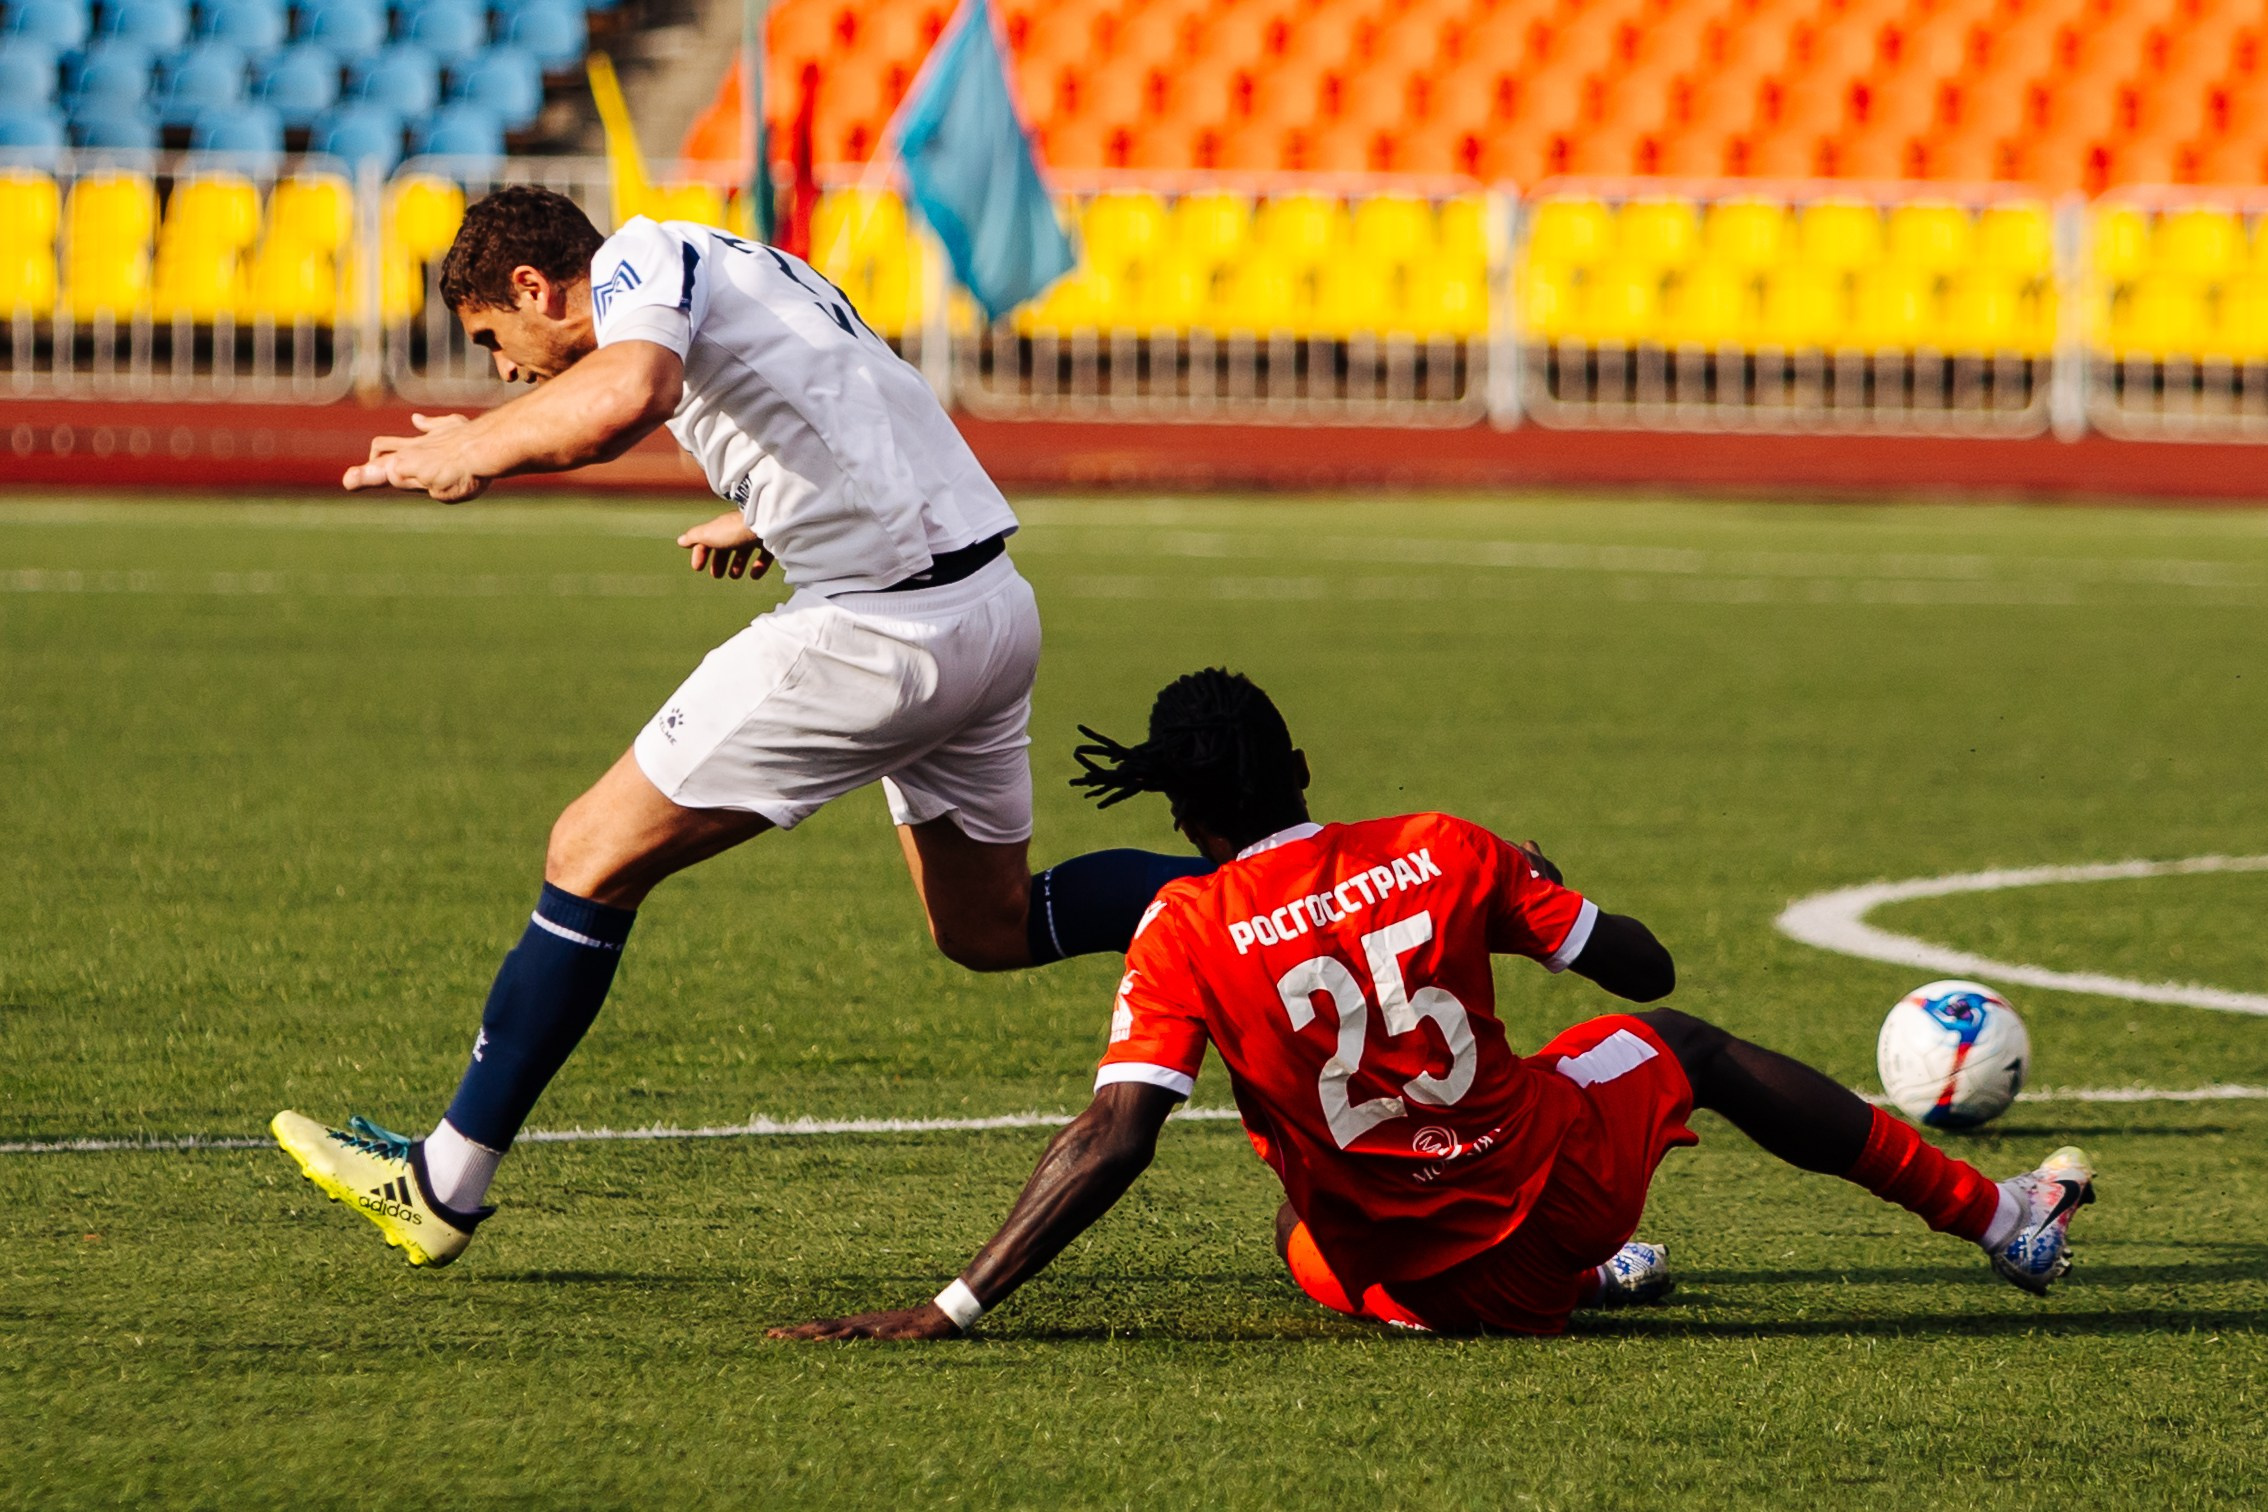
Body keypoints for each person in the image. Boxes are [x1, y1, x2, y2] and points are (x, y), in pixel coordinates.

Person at [271, 186, 1208, 1267]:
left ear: (534, 287)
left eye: (493, 338)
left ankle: (441, 1184)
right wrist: (772, 509)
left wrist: (479, 448)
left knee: (587, 853)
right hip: (990, 610)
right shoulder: (727, 258)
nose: (502, 368)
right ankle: (1276, 897)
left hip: (882, 629)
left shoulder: (639, 258)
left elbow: (629, 392)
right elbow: (854, 394)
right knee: (988, 925)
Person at [772, 669, 2095, 1341]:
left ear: (1180, 812)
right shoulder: (1445, 846)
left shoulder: (1182, 925)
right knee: (1680, 1049)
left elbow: (1114, 1136)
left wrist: (949, 1305)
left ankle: (1505, 1285)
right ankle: (2002, 1222)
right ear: (1300, 765)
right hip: (1553, 1197)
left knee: (1297, 1200)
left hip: (1404, 1272)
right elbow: (1649, 974)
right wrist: (1549, 896)